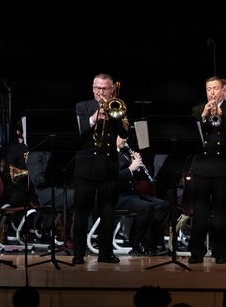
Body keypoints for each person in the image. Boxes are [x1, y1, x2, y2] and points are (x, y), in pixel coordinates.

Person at [71, 73, 128, 265]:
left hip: (108, 167)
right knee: (81, 213)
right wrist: (94, 118)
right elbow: (77, 133)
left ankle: (106, 253)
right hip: (85, 168)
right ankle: (78, 254)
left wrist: (114, 115)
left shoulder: (117, 106)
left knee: (108, 213)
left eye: (104, 89)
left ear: (112, 89)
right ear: (92, 88)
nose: (100, 92)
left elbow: (125, 132)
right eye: (97, 88)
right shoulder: (82, 107)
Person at [189, 76, 226, 264]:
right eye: (208, 89)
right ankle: (196, 251)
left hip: (224, 168)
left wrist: (222, 118)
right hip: (202, 168)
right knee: (199, 212)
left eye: (215, 88)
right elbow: (191, 137)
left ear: (223, 90)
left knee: (221, 213)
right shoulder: (197, 110)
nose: (212, 93)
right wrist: (203, 117)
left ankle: (220, 251)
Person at [116, 135, 172, 255]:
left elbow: (134, 179)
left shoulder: (125, 153)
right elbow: (112, 179)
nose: (125, 140)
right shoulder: (108, 155)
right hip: (118, 196)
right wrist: (131, 168)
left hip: (131, 194)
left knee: (163, 205)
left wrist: (137, 168)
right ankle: (137, 244)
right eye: (122, 137)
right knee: (145, 207)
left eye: (126, 137)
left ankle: (154, 242)